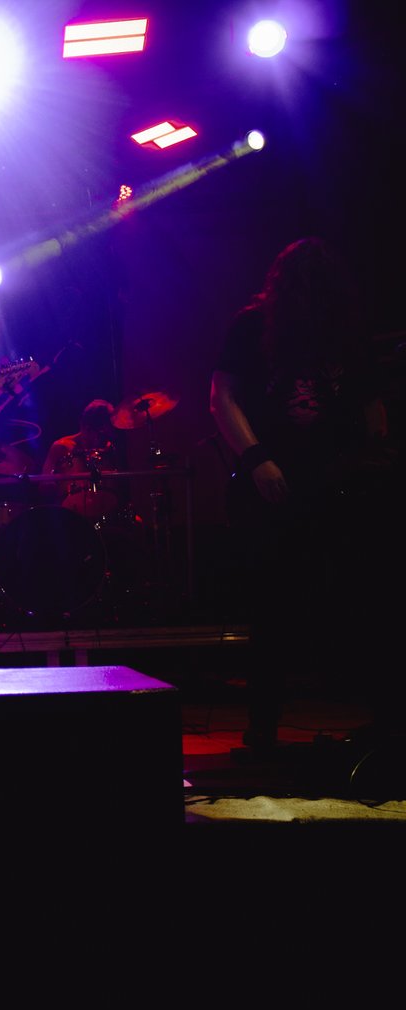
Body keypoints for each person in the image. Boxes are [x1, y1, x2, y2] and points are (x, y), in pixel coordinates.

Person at [209, 237, 394, 753]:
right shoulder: (253, 327)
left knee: (355, 601)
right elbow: (221, 396)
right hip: (273, 487)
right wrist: (256, 459)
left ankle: (381, 722)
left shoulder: (344, 333)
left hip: (335, 486)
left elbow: (371, 402)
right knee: (272, 608)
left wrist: (375, 453)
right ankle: (263, 728)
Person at [40, 398, 124, 521]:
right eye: (101, 434)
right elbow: (44, 483)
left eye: (107, 434)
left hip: (106, 515)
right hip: (69, 516)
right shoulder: (62, 447)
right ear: (85, 427)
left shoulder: (109, 448)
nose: (104, 440)